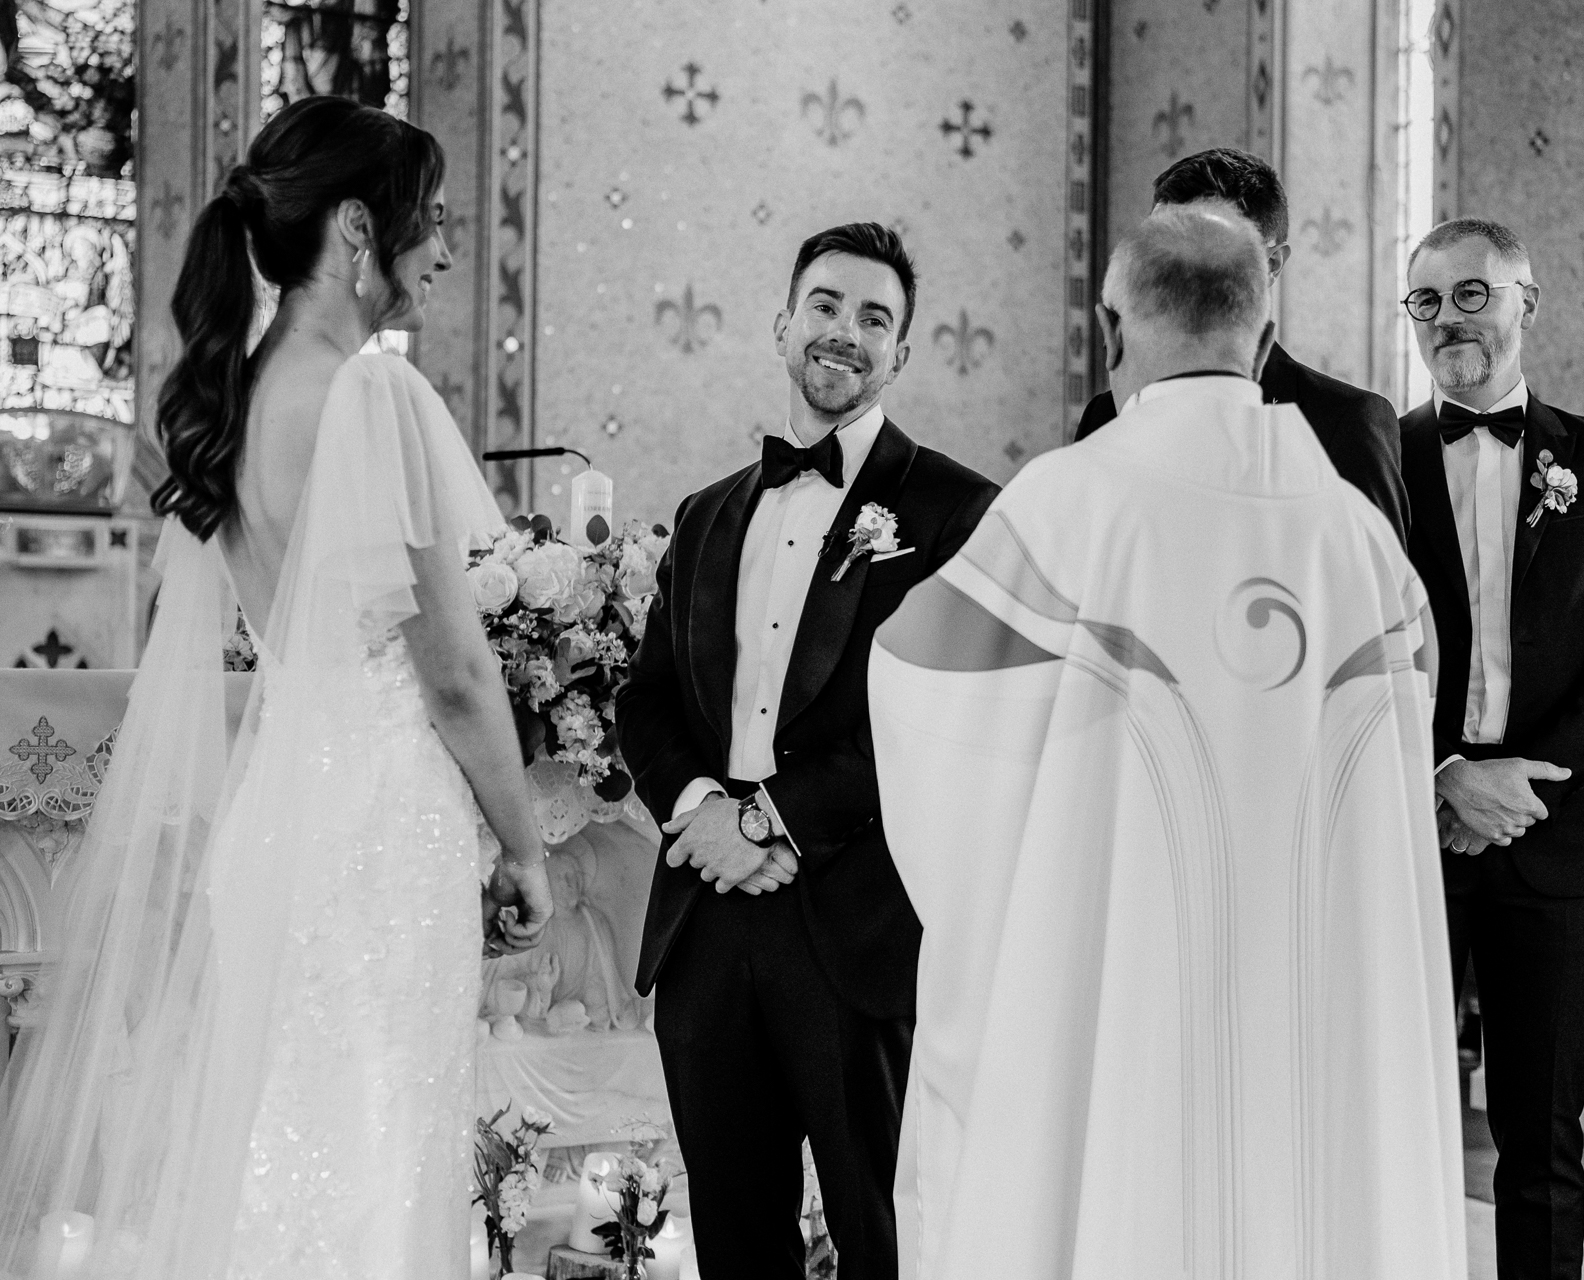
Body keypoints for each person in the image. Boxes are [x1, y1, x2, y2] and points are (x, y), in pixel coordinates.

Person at [0, 96, 550, 1277]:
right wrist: (527, 847)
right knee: (377, 1138)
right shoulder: (373, 394)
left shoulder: (232, 402)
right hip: (380, 821)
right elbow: (452, 673)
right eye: (430, 222)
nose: (445, 251)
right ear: (359, 228)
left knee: (285, 1134)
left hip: (280, 816)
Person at [871, 204, 1466, 1280]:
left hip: (1121, 993)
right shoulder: (1363, 543)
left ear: (1113, 326)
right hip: (1322, 1011)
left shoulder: (1068, 503)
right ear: (1265, 328)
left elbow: (919, 687)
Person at [614, 222, 997, 1280]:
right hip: (706, 924)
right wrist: (701, 807)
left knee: (886, 1236)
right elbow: (646, 703)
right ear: (783, 324)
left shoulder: (958, 511)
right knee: (735, 1237)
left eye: (875, 318)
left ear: (902, 355)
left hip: (854, 922)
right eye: (825, 306)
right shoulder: (704, 515)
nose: (845, 333)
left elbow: (935, 716)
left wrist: (768, 818)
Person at [1398, 217, 1584, 1279]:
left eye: (1473, 293)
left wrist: (1520, 775)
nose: (1450, 318)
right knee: (1399, 1116)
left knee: (1542, 1137)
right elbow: (1347, 638)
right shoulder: (1380, 457)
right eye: (1426, 300)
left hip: (1555, 840)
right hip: (1408, 829)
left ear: (1527, 301)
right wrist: (1444, 773)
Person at [1072, 146, 1410, 545]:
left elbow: (1372, 596)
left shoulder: (1345, 423)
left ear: (1271, 264)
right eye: (1159, 245)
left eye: (1214, 248)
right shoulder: (1104, 413)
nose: (1178, 269)